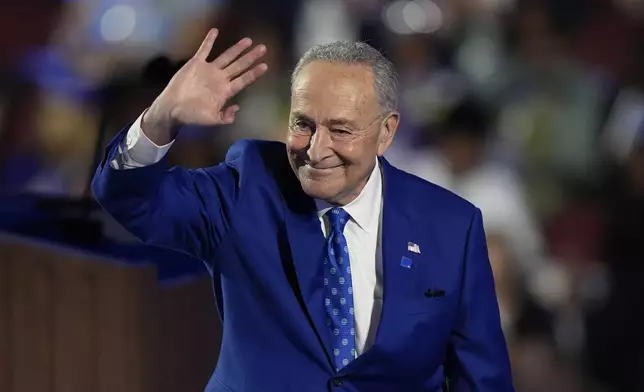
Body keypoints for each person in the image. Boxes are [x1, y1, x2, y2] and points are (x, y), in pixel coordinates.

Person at [92, 28, 513, 392]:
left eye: (341, 130)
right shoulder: (247, 187)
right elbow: (131, 199)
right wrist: (162, 119)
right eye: (303, 124)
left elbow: (481, 380)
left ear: (386, 132)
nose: (316, 149)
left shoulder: (450, 226)